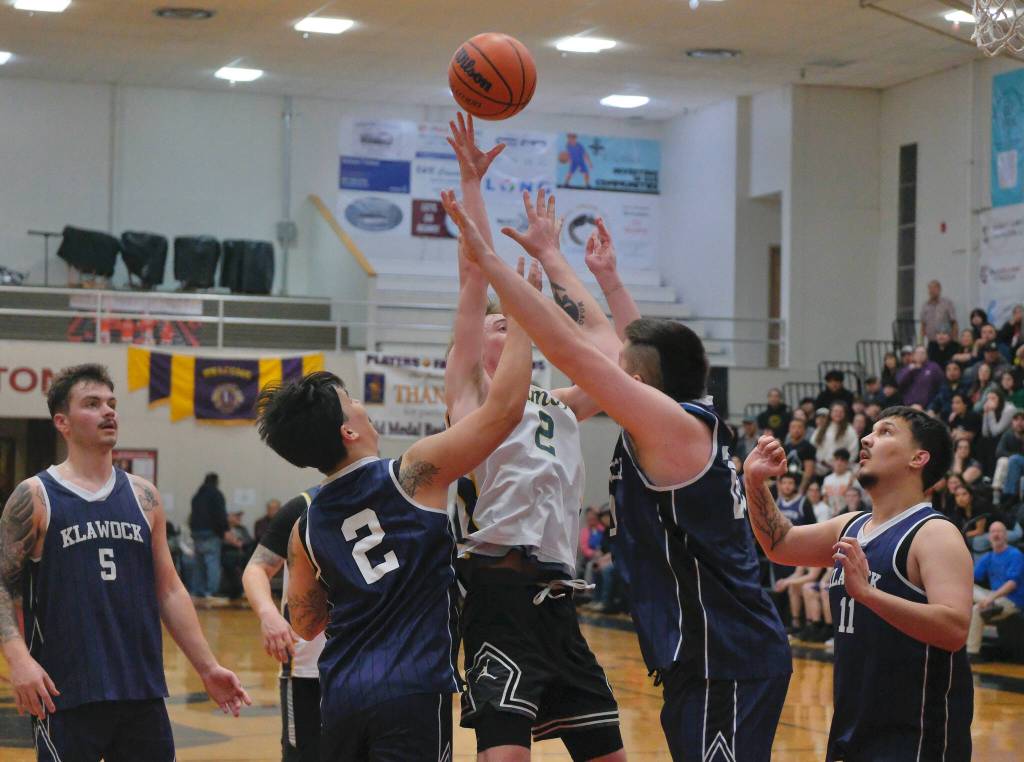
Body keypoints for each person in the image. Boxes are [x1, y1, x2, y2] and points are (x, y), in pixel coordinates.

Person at [444, 189, 792, 762]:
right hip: (517, 594)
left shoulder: (661, 424)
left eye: (626, 368)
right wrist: (570, 264)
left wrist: (504, 270)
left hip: (720, 645)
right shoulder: (667, 414)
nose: (618, 363)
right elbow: (619, 347)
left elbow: (588, 352)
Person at [256, 309, 532, 762]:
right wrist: (525, 322)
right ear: (348, 430)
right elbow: (504, 412)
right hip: (414, 688)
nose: (362, 406)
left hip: (342, 694)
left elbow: (306, 624)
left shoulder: (304, 525)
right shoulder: (412, 474)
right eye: (353, 402)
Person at [444, 115, 626, 760]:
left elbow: (614, 355)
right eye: (499, 322)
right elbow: (476, 278)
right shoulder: (472, 397)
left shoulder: (562, 403)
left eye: (512, 317)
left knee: (608, 751)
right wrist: (472, 183)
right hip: (498, 586)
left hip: (557, 596)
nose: (506, 320)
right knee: (507, 754)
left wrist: (556, 259)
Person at [0, 364, 250, 761]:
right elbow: (3, 585)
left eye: (112, 403)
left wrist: (208, 666)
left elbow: (168, 589)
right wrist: (19, 660)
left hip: (141, 690)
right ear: (62, 422)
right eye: (93, 404)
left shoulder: (143, 497)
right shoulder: (34, 497)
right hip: (64, 692)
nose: (109, 412)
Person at [743, 406, 974, 761]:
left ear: (919, 457)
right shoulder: (851, 525)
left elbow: (954, 628)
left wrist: (868, 595)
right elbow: (779, 544)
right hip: (852, 731)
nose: (867, 438)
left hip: (915, 741)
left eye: (885, 432)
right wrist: (755, 483)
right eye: (871, 431)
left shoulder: (934, 533)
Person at [242, 487, 324, 762]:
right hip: (309, 669)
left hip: (374, 665)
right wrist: (269, 614)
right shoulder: (303, 505)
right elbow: (256, 568)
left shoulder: (391, 501)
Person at [968, 521, 1024, 659]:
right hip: (993, 599)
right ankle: (991, 605)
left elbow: (1012, 584)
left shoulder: (1015, 554)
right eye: (993, 531)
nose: (996, 534)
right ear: (989, 537)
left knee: (976, 610)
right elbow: (971, 577)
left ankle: (972, 653)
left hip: (1011, 601)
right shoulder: (988, 557)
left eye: (999, 531)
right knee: (967, 586)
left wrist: (990, 599)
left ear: (1006, 536)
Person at [189, 472, 240, 598]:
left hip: (196, 532)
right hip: (210, 533)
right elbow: (220, 515)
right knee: (212, 562)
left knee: (199, 563)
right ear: (216, 482)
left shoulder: (197, 496)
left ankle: (197, 591)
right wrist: (225, 531)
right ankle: (211, 592)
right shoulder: (216, 494)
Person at [812, 404, 860, 476]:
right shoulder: (822, 428)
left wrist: (843, 465)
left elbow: (853, 450)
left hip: (841, 470)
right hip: (820, 469)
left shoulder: (849, 430)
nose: (838, 414)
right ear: (830, 413)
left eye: (841, 412)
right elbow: (813, 446)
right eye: (835, 411)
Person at [994, 410, 1024, 505]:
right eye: (1016, 419)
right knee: (1003, 461)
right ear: (1012, 422)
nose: (1019, 422)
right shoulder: (1008, 434)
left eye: (1022, 419)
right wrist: (1014, 455)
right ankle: (996, 494)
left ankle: (1010, 495)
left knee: (1014, 459)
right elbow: (999, 452)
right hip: (1014, 462)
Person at [783, 417, 817, 495]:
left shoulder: (809, 447)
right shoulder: (785, 447)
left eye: (799, 427)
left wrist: (801, 491)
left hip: (802, 487)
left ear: (804, 430)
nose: (796, 430)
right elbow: (780, 471)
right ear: (789, 429)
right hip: (786, 486)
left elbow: (808, 472)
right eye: (793, 427)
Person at [920, 279, 959, 345]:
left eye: (934, 288)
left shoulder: (947, 303)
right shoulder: (925, 305)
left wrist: (954, 340)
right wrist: (921, 343)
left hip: (946, 342)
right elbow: (923, 325)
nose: (932, 290)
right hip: (931, 342)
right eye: (930, 288)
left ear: (939, 289)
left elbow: (954, 323)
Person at [822, 449, 857, 515]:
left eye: (842, 460)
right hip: (830, 515)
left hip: (847, 514)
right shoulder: (827, 479)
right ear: (833, 461)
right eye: (836, 459)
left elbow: (855, 499)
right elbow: (825, 499)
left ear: (847, 463)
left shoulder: (852, 478)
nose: (839, 462)